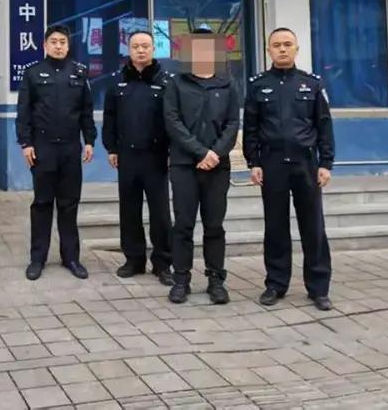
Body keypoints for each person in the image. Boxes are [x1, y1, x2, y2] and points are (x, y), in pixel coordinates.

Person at [244, 27, 335, 311]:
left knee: (313, 227)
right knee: (275, 227)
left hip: (306, 164)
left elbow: (324, 126)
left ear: (296, 49)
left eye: (287, 44)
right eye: (276, 45)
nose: (282, 49)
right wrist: (253, 162)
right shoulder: (258, 85)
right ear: (268, 50)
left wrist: (326, 163)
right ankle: (275, 284)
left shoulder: (312, 84)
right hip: (272, 165)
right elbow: (251, 128)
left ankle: (318, 288)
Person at [163, 25, 240, 305]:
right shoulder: (177, 83)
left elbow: (233, 123)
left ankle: (216, 280)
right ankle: (181, 279)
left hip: (217, 167)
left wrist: (215, 154)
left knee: (214, 225)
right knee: (183, 225)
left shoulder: (227, 83)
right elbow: (172, 121)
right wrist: (199, 152)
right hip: (184, 165)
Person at [16, 24, 96, 281]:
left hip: (71, 149)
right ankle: (37, 259)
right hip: (43, 149)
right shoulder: (33, 73)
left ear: (68, 45)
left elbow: (86, 111)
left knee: (69, 204)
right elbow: (24, 112)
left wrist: (90, 141)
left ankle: (71, 258)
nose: (58, 46)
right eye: (54, 41)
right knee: (42, 204)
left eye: (63, 41)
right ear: (45, 45)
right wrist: (26, 143)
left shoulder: (79, 72)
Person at [102, 31, 174, 286]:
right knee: (129, 210)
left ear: (153, 49)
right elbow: (110, 118)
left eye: (145, 46)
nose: (141, 50)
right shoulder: (118, 82)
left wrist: (172, 152)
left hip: (157, 157)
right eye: (136, 46)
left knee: (160, 213)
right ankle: (134, 259)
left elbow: (173, 120)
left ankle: (163, 262)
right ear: (129, 50)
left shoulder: (166, 82)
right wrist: (111, 148)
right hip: (127, 157)